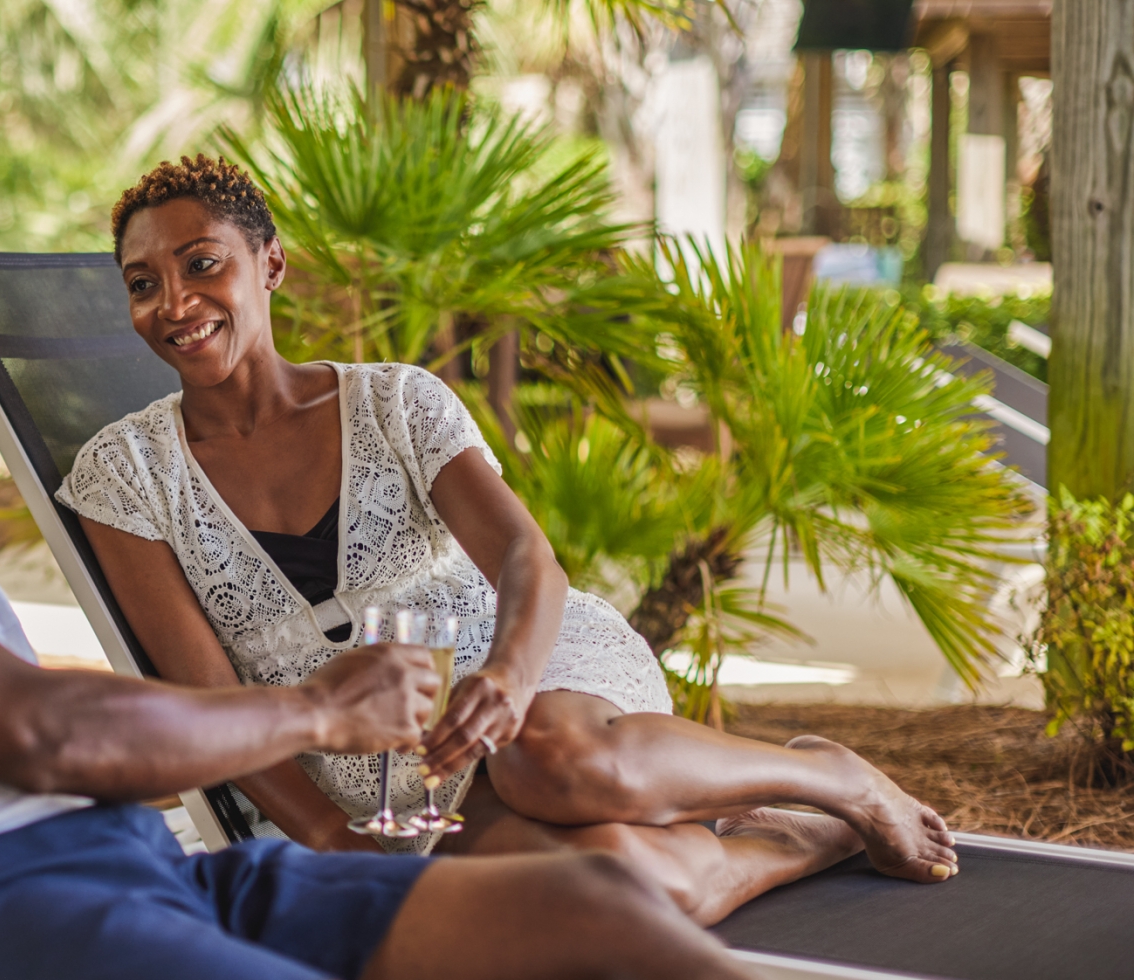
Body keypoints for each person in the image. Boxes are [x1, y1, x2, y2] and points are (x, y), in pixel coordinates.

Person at [0, 166, 760, 980]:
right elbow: (43, 730)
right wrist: (320, 708)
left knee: (593, 905)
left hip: (113, 860)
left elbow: (67, 730)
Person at [56, 155, 962, 927]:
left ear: (272, 264)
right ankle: (809, 824)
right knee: (603, 893)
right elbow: (212, 703)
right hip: (380, 774)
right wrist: (339, 843)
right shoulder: (123, 477)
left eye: (201, 265)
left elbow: (528, 560)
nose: (175, 303)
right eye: (144, 285)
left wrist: (506, 680)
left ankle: (826, 780)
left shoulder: (395, 401)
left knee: (543, 757)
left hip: (530, 661)